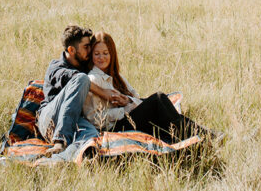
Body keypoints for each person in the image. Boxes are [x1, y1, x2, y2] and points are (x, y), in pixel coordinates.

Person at [83, 31, 212, 143]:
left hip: (127, 115)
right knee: (158, 99)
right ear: (91, 56)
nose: (101, 58)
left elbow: (135, 94)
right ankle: (203, 135)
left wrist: (128, 101)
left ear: (112, 54)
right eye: (97, 54)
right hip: (114, 127)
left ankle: (201, 135)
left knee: (163, 112)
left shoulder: (115, 75)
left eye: (105, 53)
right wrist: (124, 110)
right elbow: (93, 118)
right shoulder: (93, 80)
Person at [36, 25, 127, 158]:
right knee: (81, 78)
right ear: (71, 50)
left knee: (91, 138)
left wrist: (125, 99)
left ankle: (58, 160)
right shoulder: (56, 67)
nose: (90, 50)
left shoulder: (85, 65)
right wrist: (103, 93)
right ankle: (60, 141)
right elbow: (76, 79)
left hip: (75, 119)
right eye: (86, 47)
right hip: (50, 119)